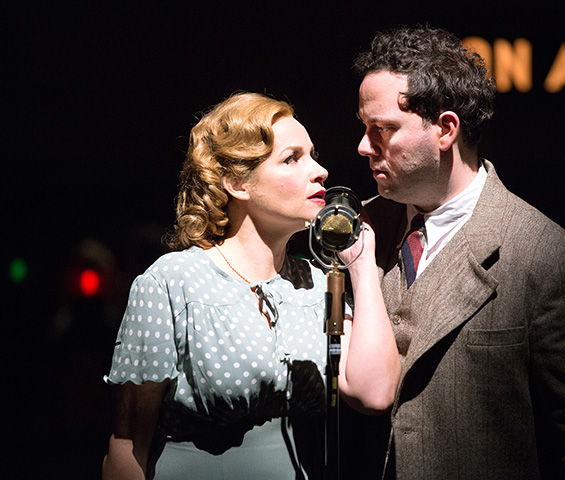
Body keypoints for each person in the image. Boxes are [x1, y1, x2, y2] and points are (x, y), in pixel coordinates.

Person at [349, 25, 565, 479]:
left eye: (383, 129)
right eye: (364, 128)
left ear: (446, 129)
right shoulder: (353, 230)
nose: (364, 146)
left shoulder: (545, 258)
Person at [101, 92, 400, 479]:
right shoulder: (172, 282)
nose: (320, 170)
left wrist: (360, 266)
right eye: (293, 158)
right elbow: (127, 448)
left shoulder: (317, 282)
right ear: (238, 183)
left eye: (313, 154)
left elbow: (374, 394)